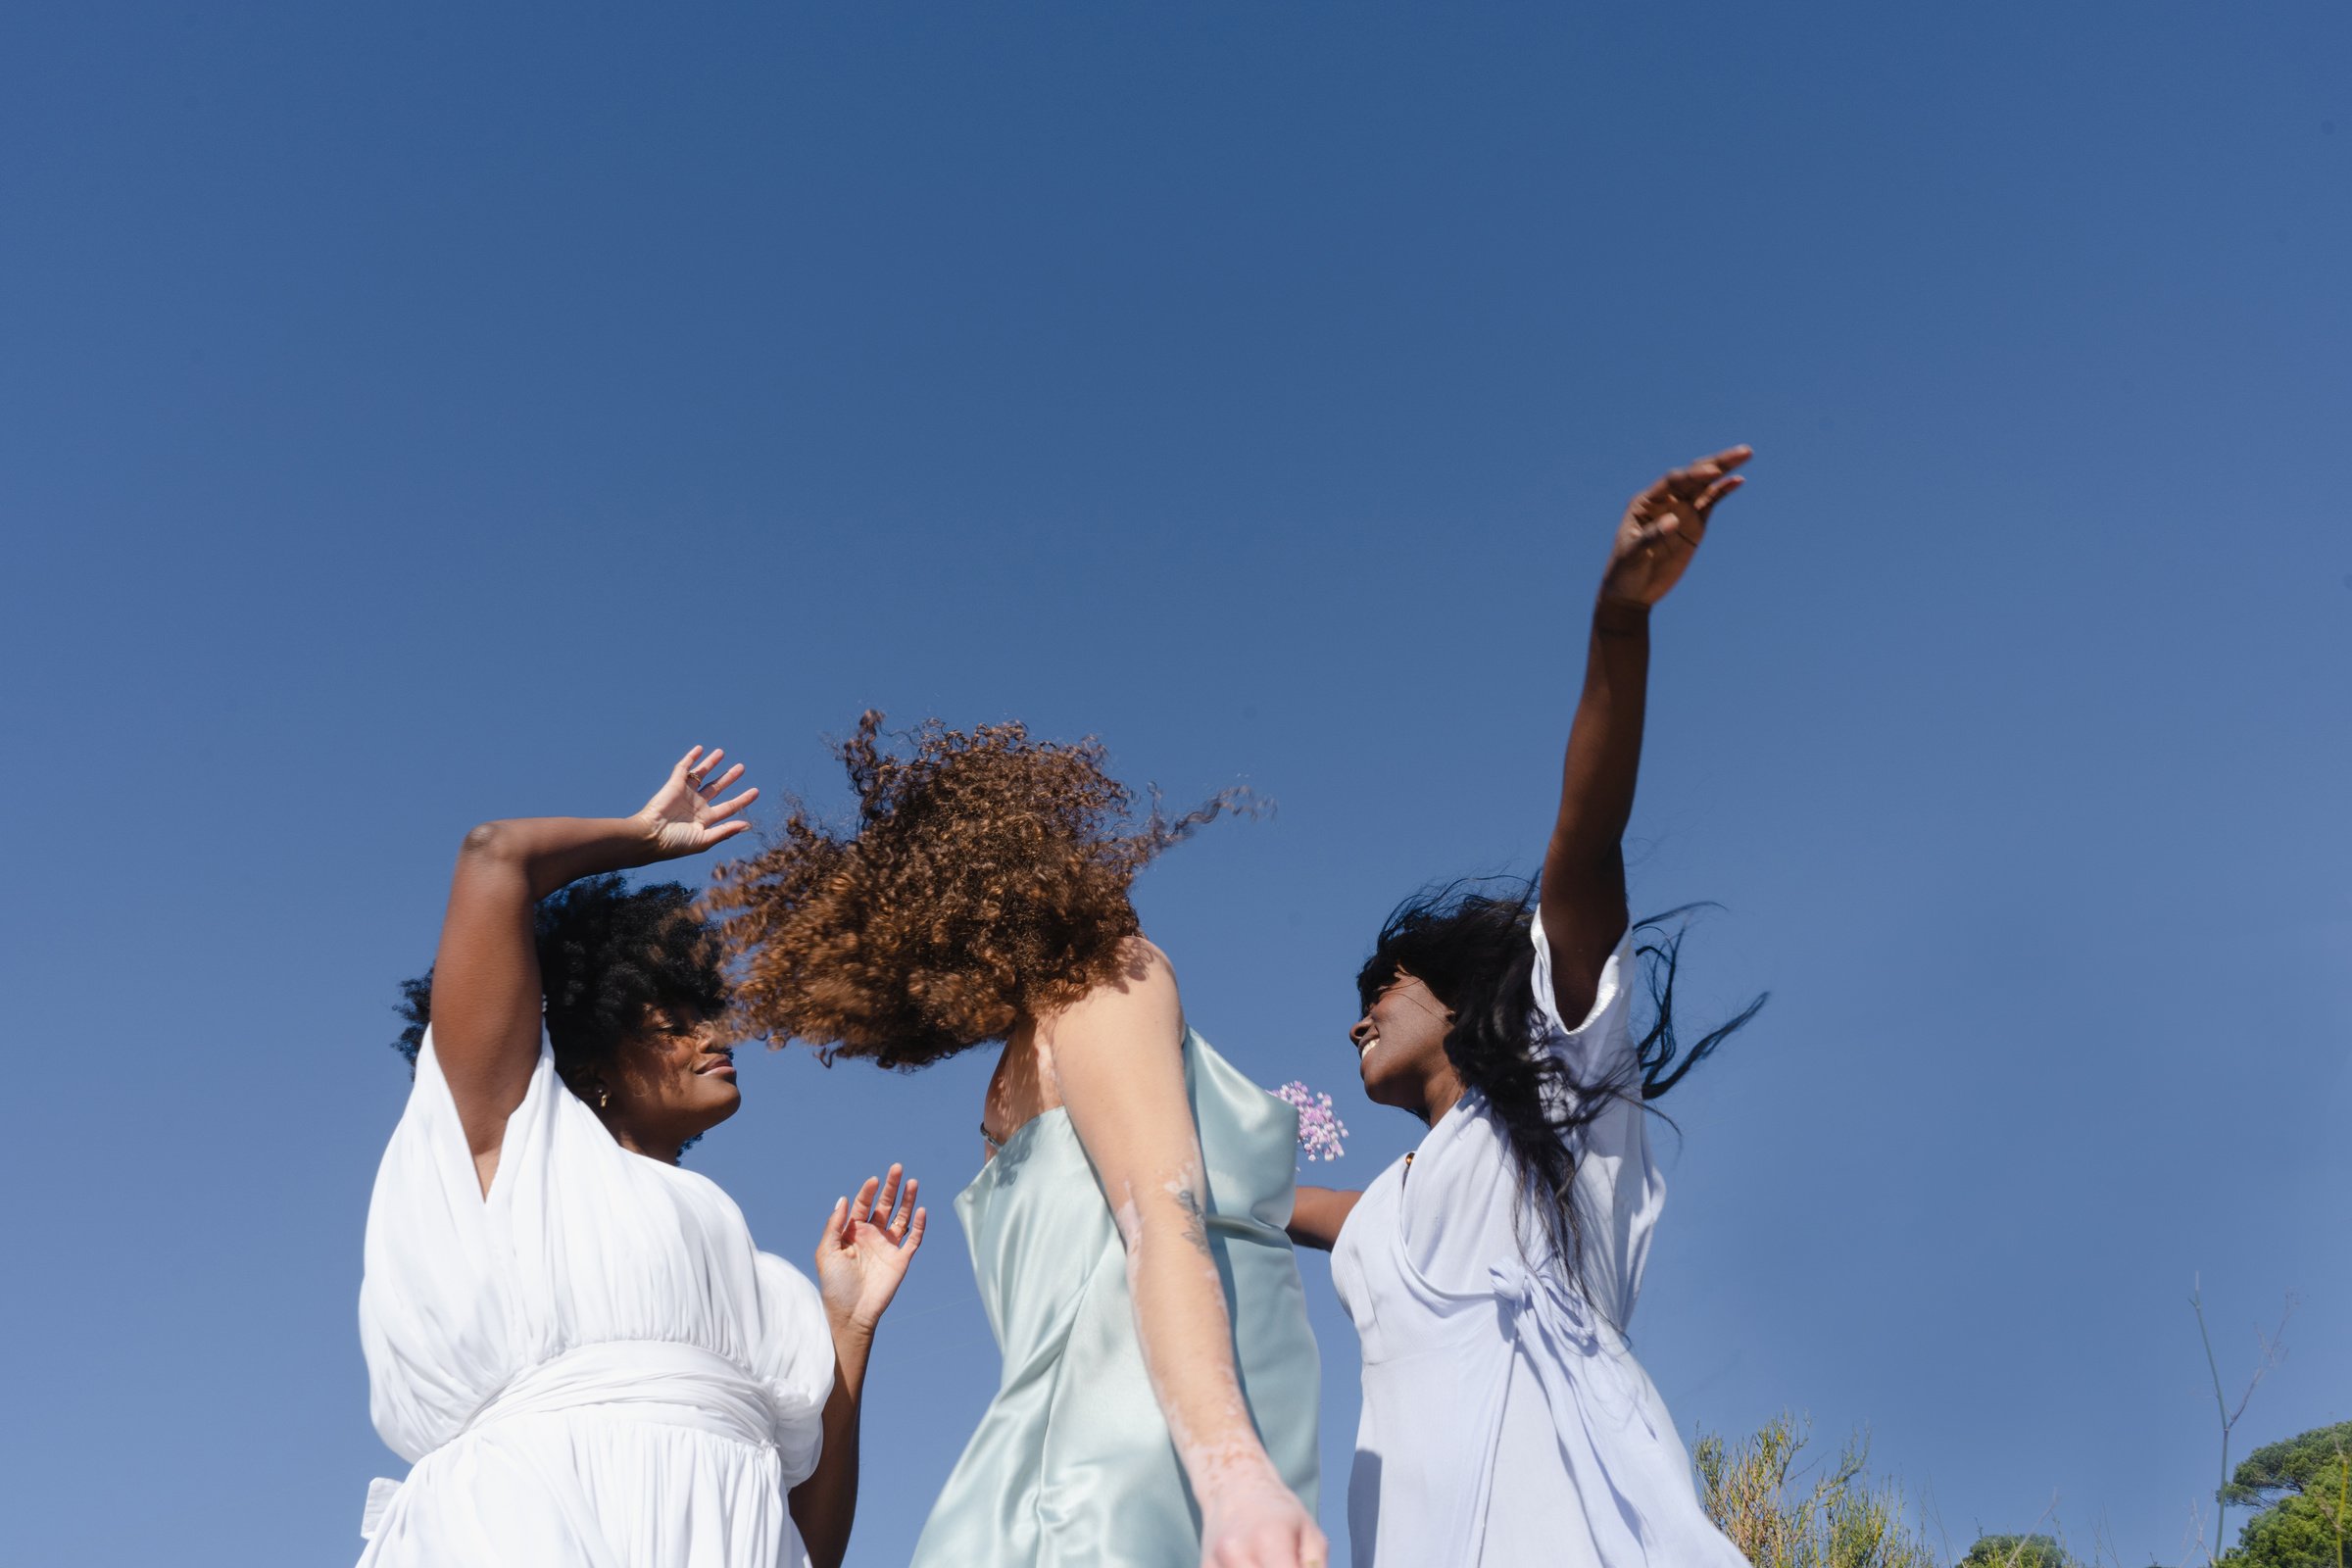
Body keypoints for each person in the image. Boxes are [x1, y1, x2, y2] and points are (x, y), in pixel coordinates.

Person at [1288, 449, 1765, 1567]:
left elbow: (1583, 844)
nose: (1358, 1022)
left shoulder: (1557, 1106)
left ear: (1463, 1002)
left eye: (1382, 993)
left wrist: (1619, 621)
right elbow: (1213, 1182)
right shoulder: (1382, 1215)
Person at [707, 718, 1327, 1568]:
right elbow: (1160, 1213)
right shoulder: (1100, 982)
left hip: (1055, 1477)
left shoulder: (1022, 1069)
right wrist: (1234, 1473)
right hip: (1136, 1477)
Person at [356, 746, 925, 1568]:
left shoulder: (763, 1282)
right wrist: (640, 837)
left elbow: (805, 1547)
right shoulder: (514, 1141)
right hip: (529, 1521)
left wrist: (850, 1326)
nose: (716, 1036)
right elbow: (495, 854)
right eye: (674, 1024)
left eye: (710, 1016)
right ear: (592, 1059)